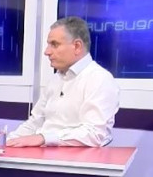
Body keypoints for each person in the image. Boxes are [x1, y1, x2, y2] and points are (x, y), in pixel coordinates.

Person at [6, 16, 120, 147]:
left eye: (54, 44)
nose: (47, 52)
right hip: (43, 154)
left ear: (77, 46)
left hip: (75, 158)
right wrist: (8, 142)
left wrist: (44, 138)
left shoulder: (99, 79)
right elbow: (35, 122)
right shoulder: (55, 79)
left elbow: (95, 134)